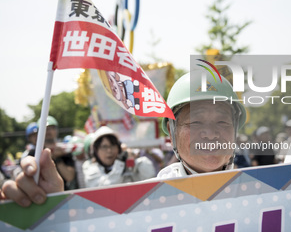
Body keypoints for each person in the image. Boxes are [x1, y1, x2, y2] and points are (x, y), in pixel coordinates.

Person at [1, 70, 246, 204]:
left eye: (222, 121)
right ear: (171, 133)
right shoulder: (146, 200)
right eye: (195, 121)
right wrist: (54, 212)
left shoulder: (266, 188)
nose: (211, 133)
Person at [82, 126, 155, 187]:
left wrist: (133, 158)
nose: (109, 150)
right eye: (104, 147)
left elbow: (149, 176)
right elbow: (106, 190)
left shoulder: (125, 164)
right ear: (96, 150)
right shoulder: (90, 168)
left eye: (113, 145)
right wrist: (119, 163)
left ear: (119, 148)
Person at [28, 116, 78, 190]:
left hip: (63, 194)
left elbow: (69, 177)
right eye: (45, 128)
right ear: (39, 133)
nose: (48, 131)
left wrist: (57, 158)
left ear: (56, 131)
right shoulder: (34, 153)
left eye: (52, 128)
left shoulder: (64, 151)